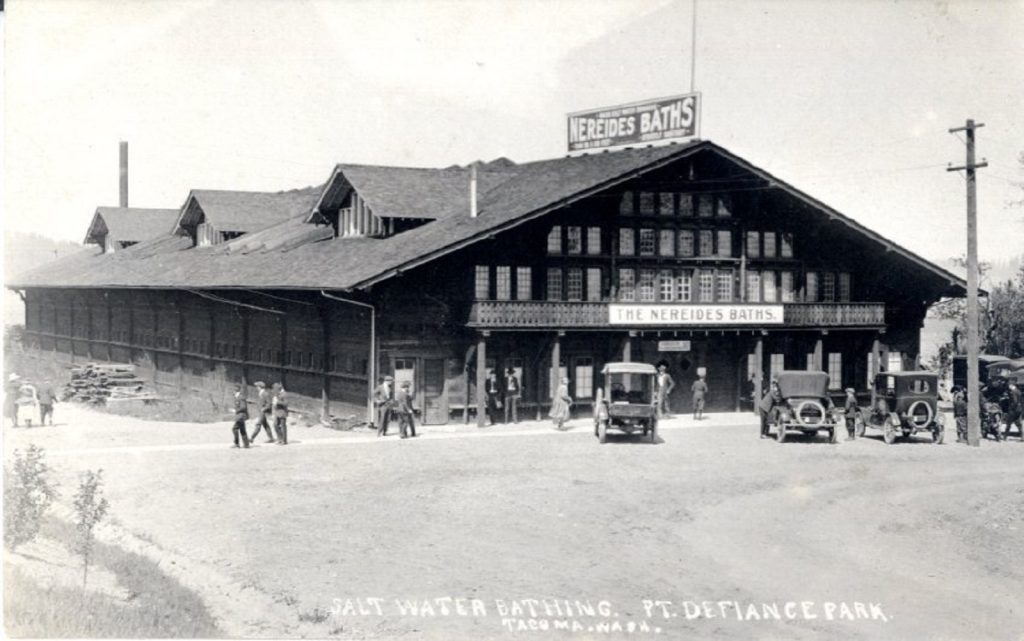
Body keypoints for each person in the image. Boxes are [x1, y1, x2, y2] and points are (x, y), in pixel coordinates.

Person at [231, 384, 251, 449]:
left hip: (241, 416)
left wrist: (235, 411)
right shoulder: (237, 397)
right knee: (242, 429)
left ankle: (237, 444)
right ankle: (246, 444)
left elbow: (244, 407)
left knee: (234, 429)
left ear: (236, 390)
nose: (233, 392)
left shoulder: (241, 397)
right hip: (240, 416)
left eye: (234, 390)